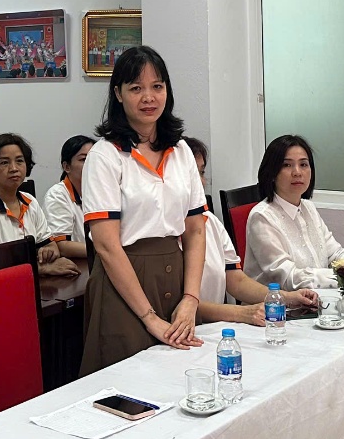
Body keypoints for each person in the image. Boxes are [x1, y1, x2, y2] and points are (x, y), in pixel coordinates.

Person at [79, 45, 207, 375]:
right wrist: (149, 317)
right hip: (125, 285)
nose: (148, 97)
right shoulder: (105, 156)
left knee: (181, 380)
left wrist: (191, 298)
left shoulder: (181, 151)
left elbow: (195, 230)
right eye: (136, 88)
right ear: (118, 94)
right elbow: (106, 246)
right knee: (129, 389)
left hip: (176, 278)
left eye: (157, 86)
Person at [184, 137, 319, 326]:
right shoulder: (161, 232)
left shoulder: (211, 222)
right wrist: (241, 312)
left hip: (215, 327)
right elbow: (179, 304)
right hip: (188, 328)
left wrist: (286, 297)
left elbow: (236, 281)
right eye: (190, 172)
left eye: (201, 172)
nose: (199, 181)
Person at [244, 134, 344, 289]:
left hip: (316, 299)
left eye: (303, 164)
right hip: (275, 308)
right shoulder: (262, 217)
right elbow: (288, 277)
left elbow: (334, 254)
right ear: (272, 173)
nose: (297, 172)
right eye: (287, 165)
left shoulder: (308, 208)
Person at [0, 134, 78, 277]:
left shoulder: (30, 201)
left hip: (28, 283)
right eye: (4, 162)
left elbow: (50, 244)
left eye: (19, 161)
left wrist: (49, 252)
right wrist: (40, 269)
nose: (14, 168)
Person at [42, 134, 94, 260]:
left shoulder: (103, 190)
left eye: (94, 159)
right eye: (83, 160)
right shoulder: (57, 195)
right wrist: (105, 251)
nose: (91, 164)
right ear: (67, 167)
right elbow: (61, 245)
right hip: (77, 266)